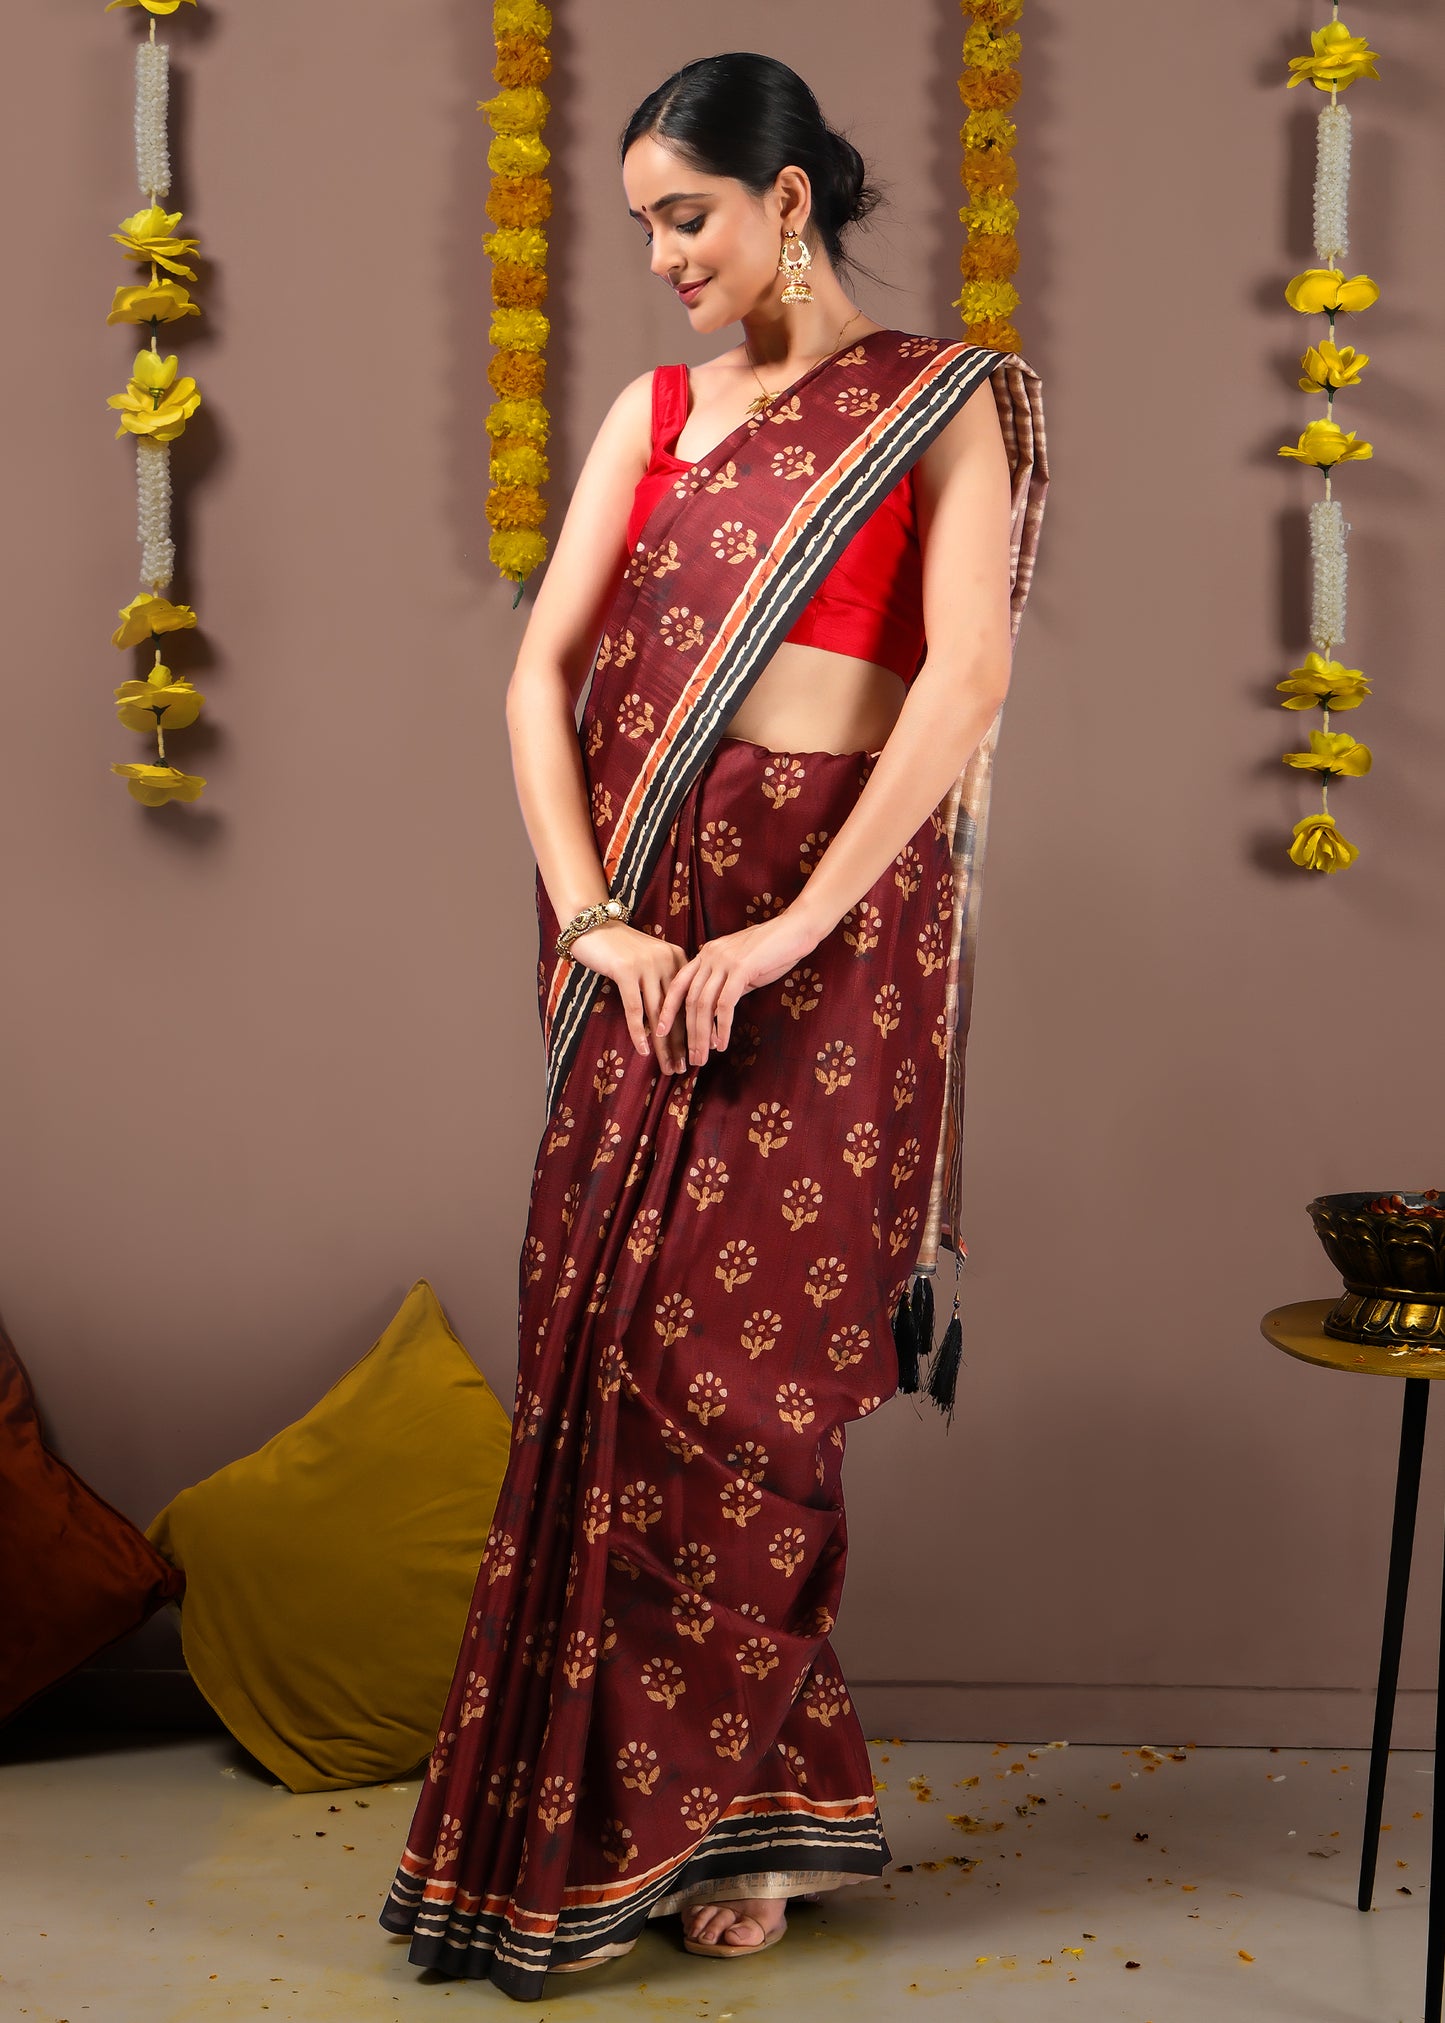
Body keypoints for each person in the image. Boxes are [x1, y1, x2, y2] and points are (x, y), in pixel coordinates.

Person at [379, 50, 1049, 2001]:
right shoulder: (656, 413)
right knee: (615, 1373)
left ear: (789, 201)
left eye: (689, 214)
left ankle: (725, 1811)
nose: (663, 257)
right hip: (649, 932)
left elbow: (968, 678)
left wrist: (791, 929)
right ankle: (705, 1799)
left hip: (827, 942)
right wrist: (596, 912)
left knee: (744, 1396)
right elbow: (541, 675)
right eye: (641, 223)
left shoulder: (941, 401)